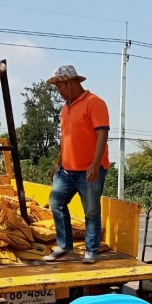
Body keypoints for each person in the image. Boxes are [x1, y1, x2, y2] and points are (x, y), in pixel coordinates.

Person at [43, 65, 110, 265]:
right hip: (66, 170)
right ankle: (65, 245)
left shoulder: (94, 103)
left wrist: (95, 165)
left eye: (60, 87)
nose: (59, 92)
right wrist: (58, 161)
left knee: (91, 211)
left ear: (71, 83)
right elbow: (67, 138)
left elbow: (102, 135)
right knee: (56, 202)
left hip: (89, 169)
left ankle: (91, 251)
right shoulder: (65, 108)